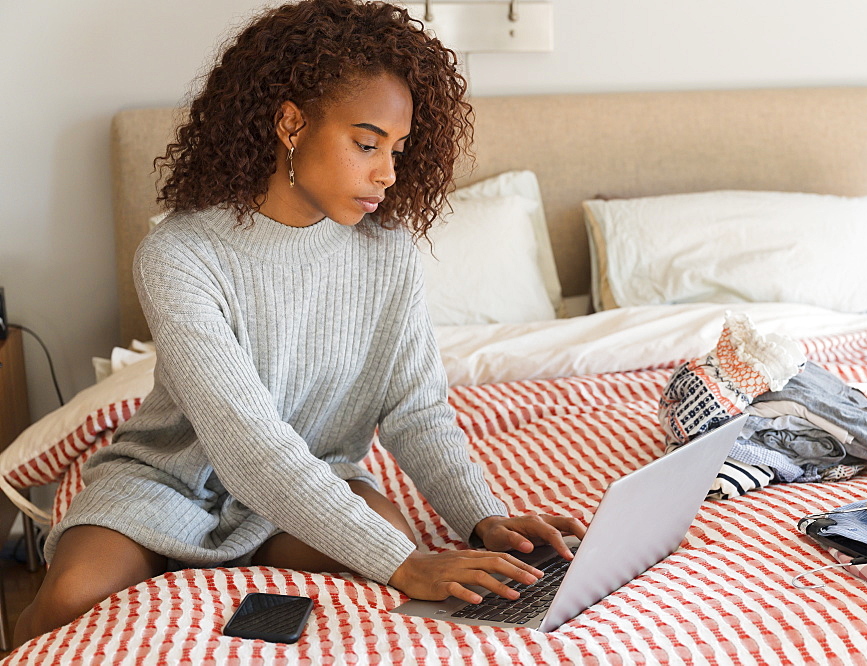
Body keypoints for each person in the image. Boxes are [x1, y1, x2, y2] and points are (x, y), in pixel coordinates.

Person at [14, 0, 585, 645]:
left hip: (319, 480)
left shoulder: (387, 250)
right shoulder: (179, 254)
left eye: (397, 150)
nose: (388, 175)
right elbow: (247, 440)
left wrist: (483, 517)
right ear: (291, 123)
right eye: (367, 144)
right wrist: (406, 562)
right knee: (69, 599)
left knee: (387, 575)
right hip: (172, 482)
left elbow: (416, 410)